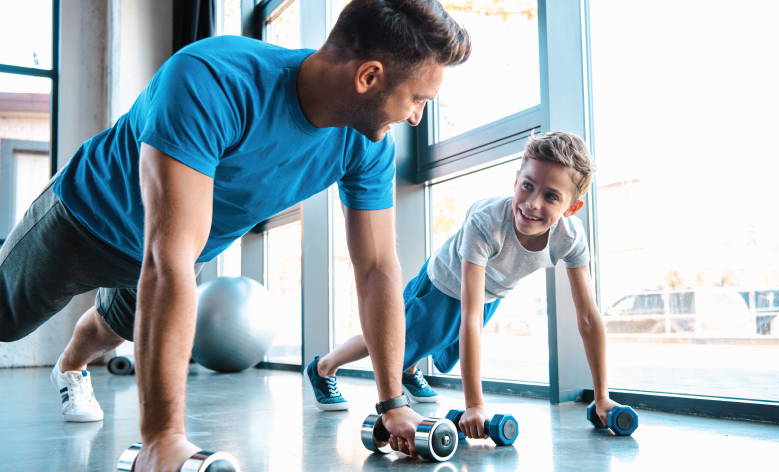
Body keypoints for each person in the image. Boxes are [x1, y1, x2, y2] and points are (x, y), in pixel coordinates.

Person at [0, 0, 471, 468]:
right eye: (417, 100)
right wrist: (162, 439)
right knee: (5, 320)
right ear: (368, 76)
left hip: (175, 255)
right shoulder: (213, 79)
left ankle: (70, 366)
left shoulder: (366, 145)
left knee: (111, 327)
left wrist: (393, 403)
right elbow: (167, 260)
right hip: (86, 220)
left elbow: (377, 269)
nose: (415, 118)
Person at [310, 131, 621, 437]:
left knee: (435, 350)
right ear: (516, 181)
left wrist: (601, 395)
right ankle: (324, 367)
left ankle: (408, 367)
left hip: (490, 295)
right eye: (527, 186)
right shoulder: (486, 221)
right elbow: (468, 316)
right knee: (390, 338)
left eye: (551, 196)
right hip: (442, 286)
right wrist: (474, 404)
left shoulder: (571, 238)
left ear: (571, 208)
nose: (532, 203)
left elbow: (589, 317)